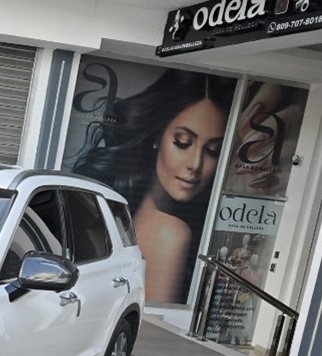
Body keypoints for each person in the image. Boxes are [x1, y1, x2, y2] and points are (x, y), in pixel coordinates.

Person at [71, 68, 235, 303]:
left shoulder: (126, 217)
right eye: (182, 142)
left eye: (213, 150)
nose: (195, 164)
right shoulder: (169, 234)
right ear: (158, 136)